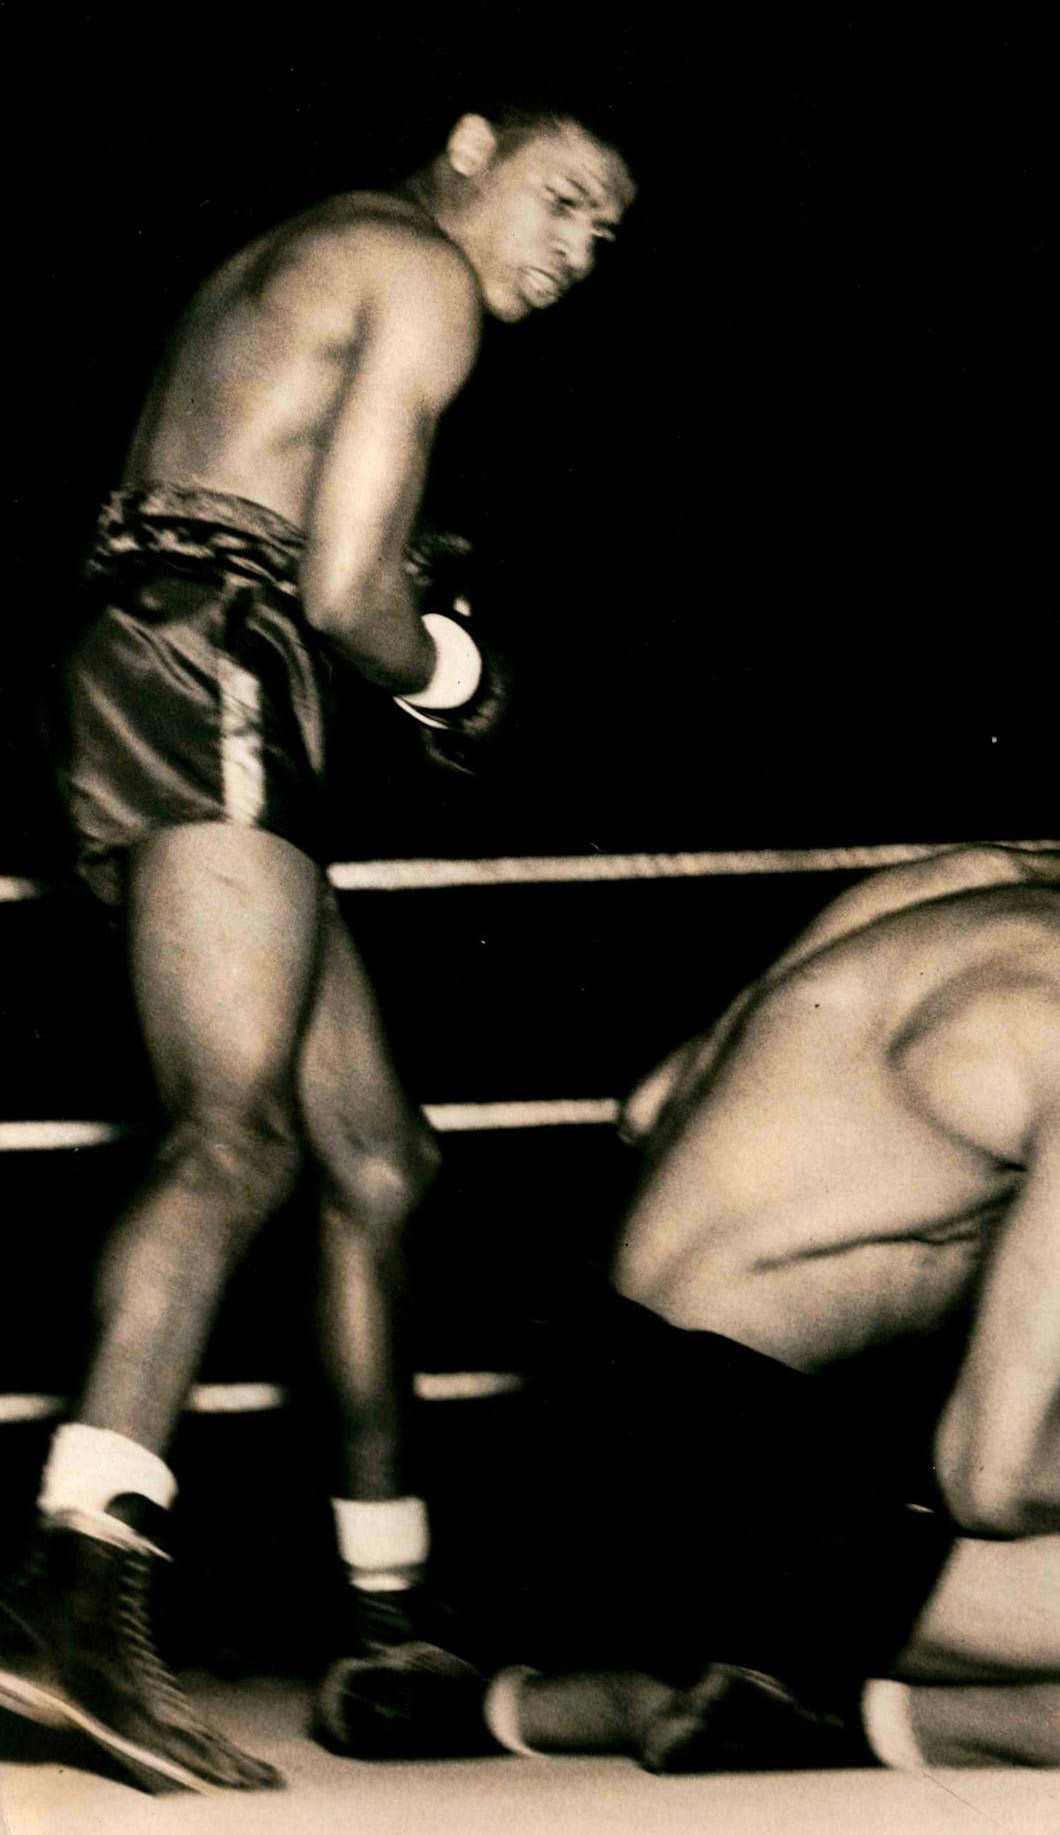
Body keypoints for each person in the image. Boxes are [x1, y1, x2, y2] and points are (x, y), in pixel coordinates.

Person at [320, 735, 1060, 1772]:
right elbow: (1002, 1483)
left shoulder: (954, 887)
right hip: (725, 1471)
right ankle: (828, 1709)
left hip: (584, 1426)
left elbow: (654, 1106)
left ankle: (504, 1704)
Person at [0, 105, 634, 1794]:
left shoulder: (309, 252)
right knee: (236, 1135)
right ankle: (71, 1600)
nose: (573, 250)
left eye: (604, 234)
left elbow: (265, 511)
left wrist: (370, 615)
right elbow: (345, 584)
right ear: (470, 147)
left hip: (166, 651)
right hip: (214, 660)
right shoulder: (416, 266)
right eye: (561, 197)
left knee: (376, 1156)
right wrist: (452, 673)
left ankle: (386, 1624)